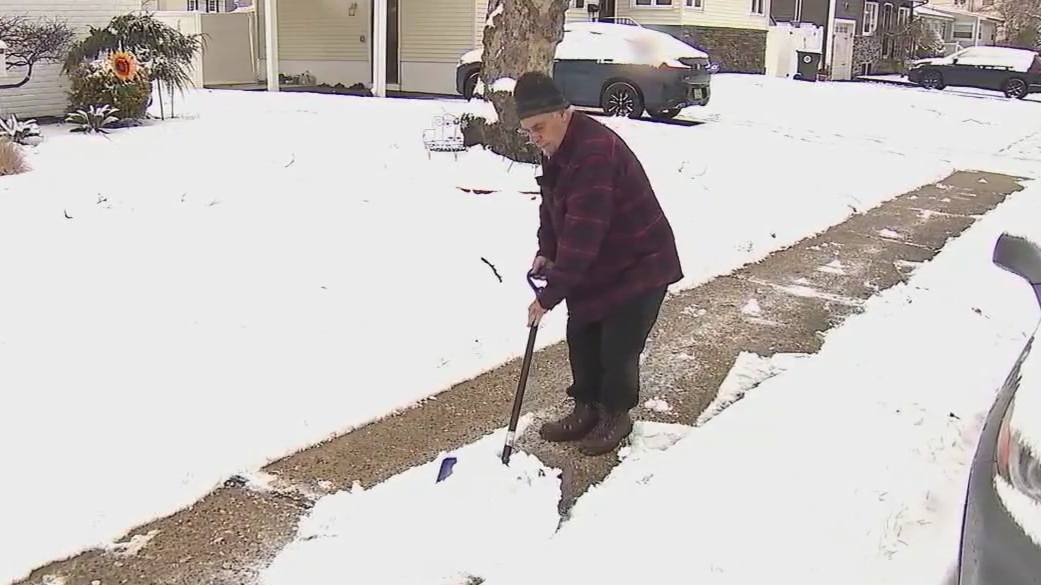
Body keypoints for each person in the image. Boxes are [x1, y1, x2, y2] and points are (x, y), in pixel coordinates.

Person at [515, 71, 683, 457]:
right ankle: (586, 408)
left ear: (562, 113)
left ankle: (616, 415)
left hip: (640, 263)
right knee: (583, 335)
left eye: (538, 127)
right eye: (528, 131)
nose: (535, 137)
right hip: (601, 263)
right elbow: (553, 203)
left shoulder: (592, 153)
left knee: (617, 347)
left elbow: (584, 235)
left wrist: (548, 296)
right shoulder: (558, 146)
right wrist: (546, 249)